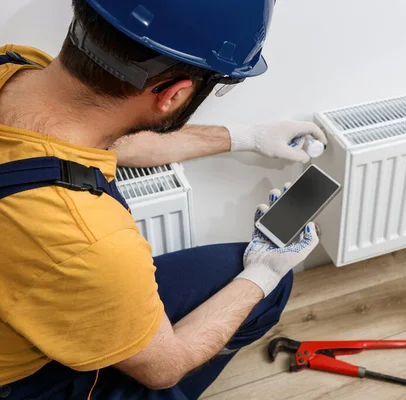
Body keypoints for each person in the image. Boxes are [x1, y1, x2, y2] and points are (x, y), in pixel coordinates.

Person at [0, 0, 327, 398]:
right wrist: (265, 272)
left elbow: (110, 135)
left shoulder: (14, 67)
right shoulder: (87, 239)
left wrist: (246, 137)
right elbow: (164, 367)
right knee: (248, 301)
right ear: (173, 95)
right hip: (24, 381)